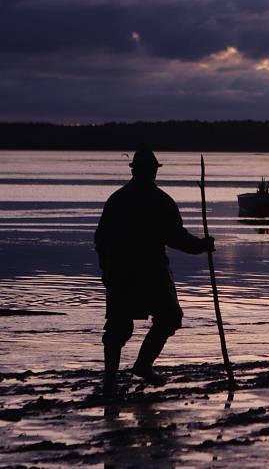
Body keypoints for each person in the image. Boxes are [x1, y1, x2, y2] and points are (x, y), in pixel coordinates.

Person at [95, 149, 215, 393]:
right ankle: (141, 365)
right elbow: (177, 238)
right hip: (149, 271)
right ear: (153, 171)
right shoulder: (159, 200)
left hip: (120, 272)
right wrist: (201, 245)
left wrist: (106, 268)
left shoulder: (117, 199)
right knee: (169, 317)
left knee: (118, 327)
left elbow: (100, 239)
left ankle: (113, 379)